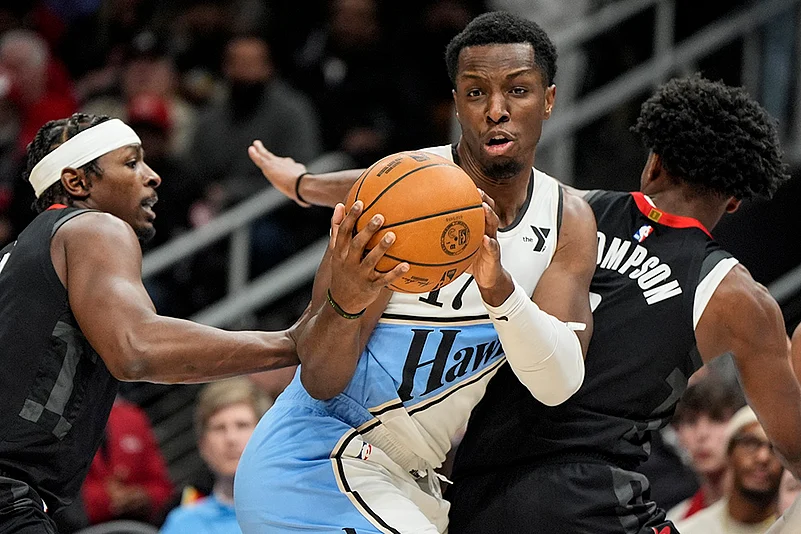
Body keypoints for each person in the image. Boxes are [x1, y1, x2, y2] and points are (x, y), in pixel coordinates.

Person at [251, 30, 801, 534]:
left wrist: (306, 184)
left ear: (651, 165)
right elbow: (793, 445)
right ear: (734, 201)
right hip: (590, 495)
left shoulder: (575, 210)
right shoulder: (739, 295)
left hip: (475, 491)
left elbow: (413, 190)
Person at [235, 11, 598, 533]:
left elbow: (557, 386)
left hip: (411, 480)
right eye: (476, 94)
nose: (496, 110)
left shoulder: (569, 219)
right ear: (456, 104)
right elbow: (318, 378)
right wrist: (348, 296)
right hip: (318, 457)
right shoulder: (402, 194)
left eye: (517, 91)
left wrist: (497, 287)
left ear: (548, 100)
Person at [0, 112, 402, 533]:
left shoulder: (18, 255)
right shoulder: (92, 227)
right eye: (132, 162)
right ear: (77, 182)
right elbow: (137, 349)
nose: (153, 176)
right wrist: (293, 342)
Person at [160, 378, 272, 534]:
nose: (231, 438)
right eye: (219, 428)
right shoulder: (182, 524)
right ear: (202, 444)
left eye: (242, 425)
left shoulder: (296, 514)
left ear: (267, 437)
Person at [676, 406, 784, 534]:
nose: (763, 457)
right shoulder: (690, 530)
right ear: (729, 452)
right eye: (751, 443)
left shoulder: (792, 526)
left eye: (776, 448)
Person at [668, 373, 747, 521]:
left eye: (717, 419)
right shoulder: (676, 521)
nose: (702, 434)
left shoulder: (777, 512)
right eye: (691, 421)